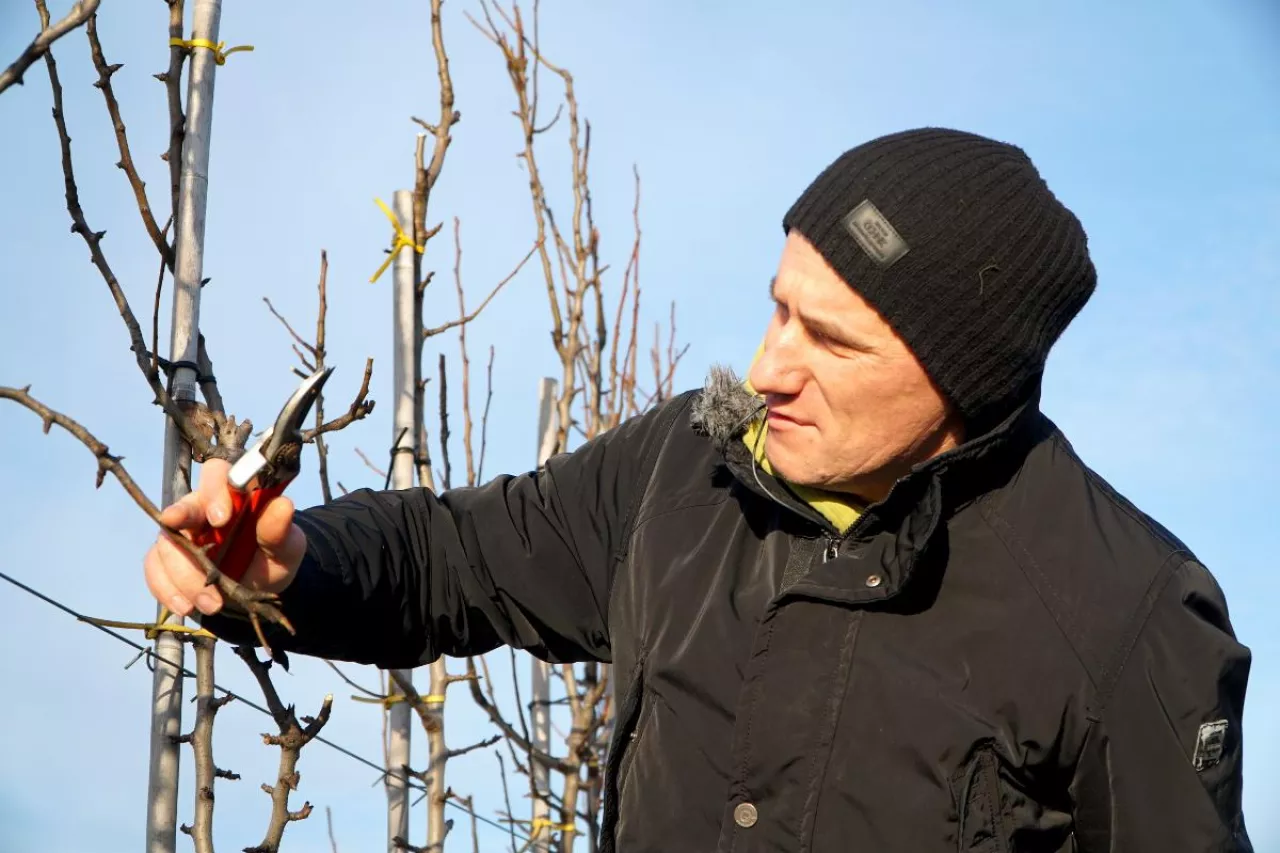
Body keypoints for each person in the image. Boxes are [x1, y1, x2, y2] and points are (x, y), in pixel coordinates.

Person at [143, 127, 1253, 852]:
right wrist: (292, 564)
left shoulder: (1126, 611)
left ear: (958, 377)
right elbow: (457, 558)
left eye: (827, 338)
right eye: (777, 307)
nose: (768, 367)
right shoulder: (685, 466)